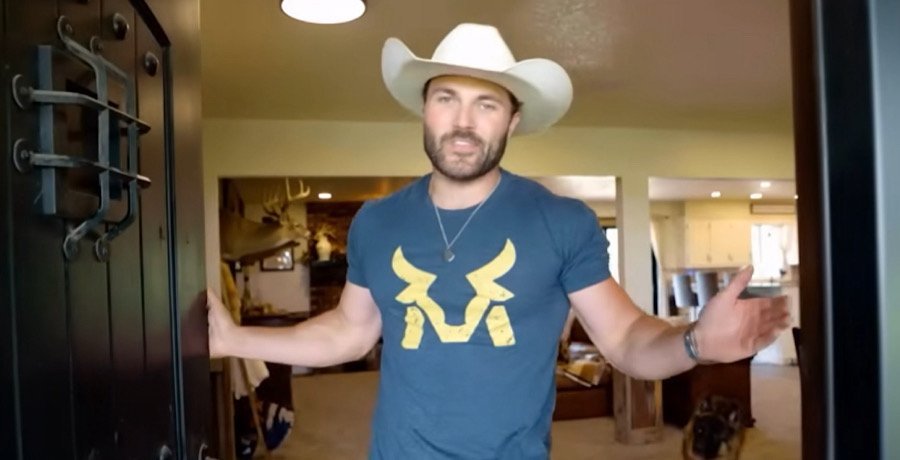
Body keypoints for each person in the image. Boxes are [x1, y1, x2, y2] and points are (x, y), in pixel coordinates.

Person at [207, 22, 791, 460]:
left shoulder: (561, 221)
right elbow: (348, 330)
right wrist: (233, 337)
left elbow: (626, 339)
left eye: (485, 103)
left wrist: (694, 342)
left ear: (512, 120)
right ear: (424, 109)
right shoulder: (376, 222)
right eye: (447, 98)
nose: (464, 122)